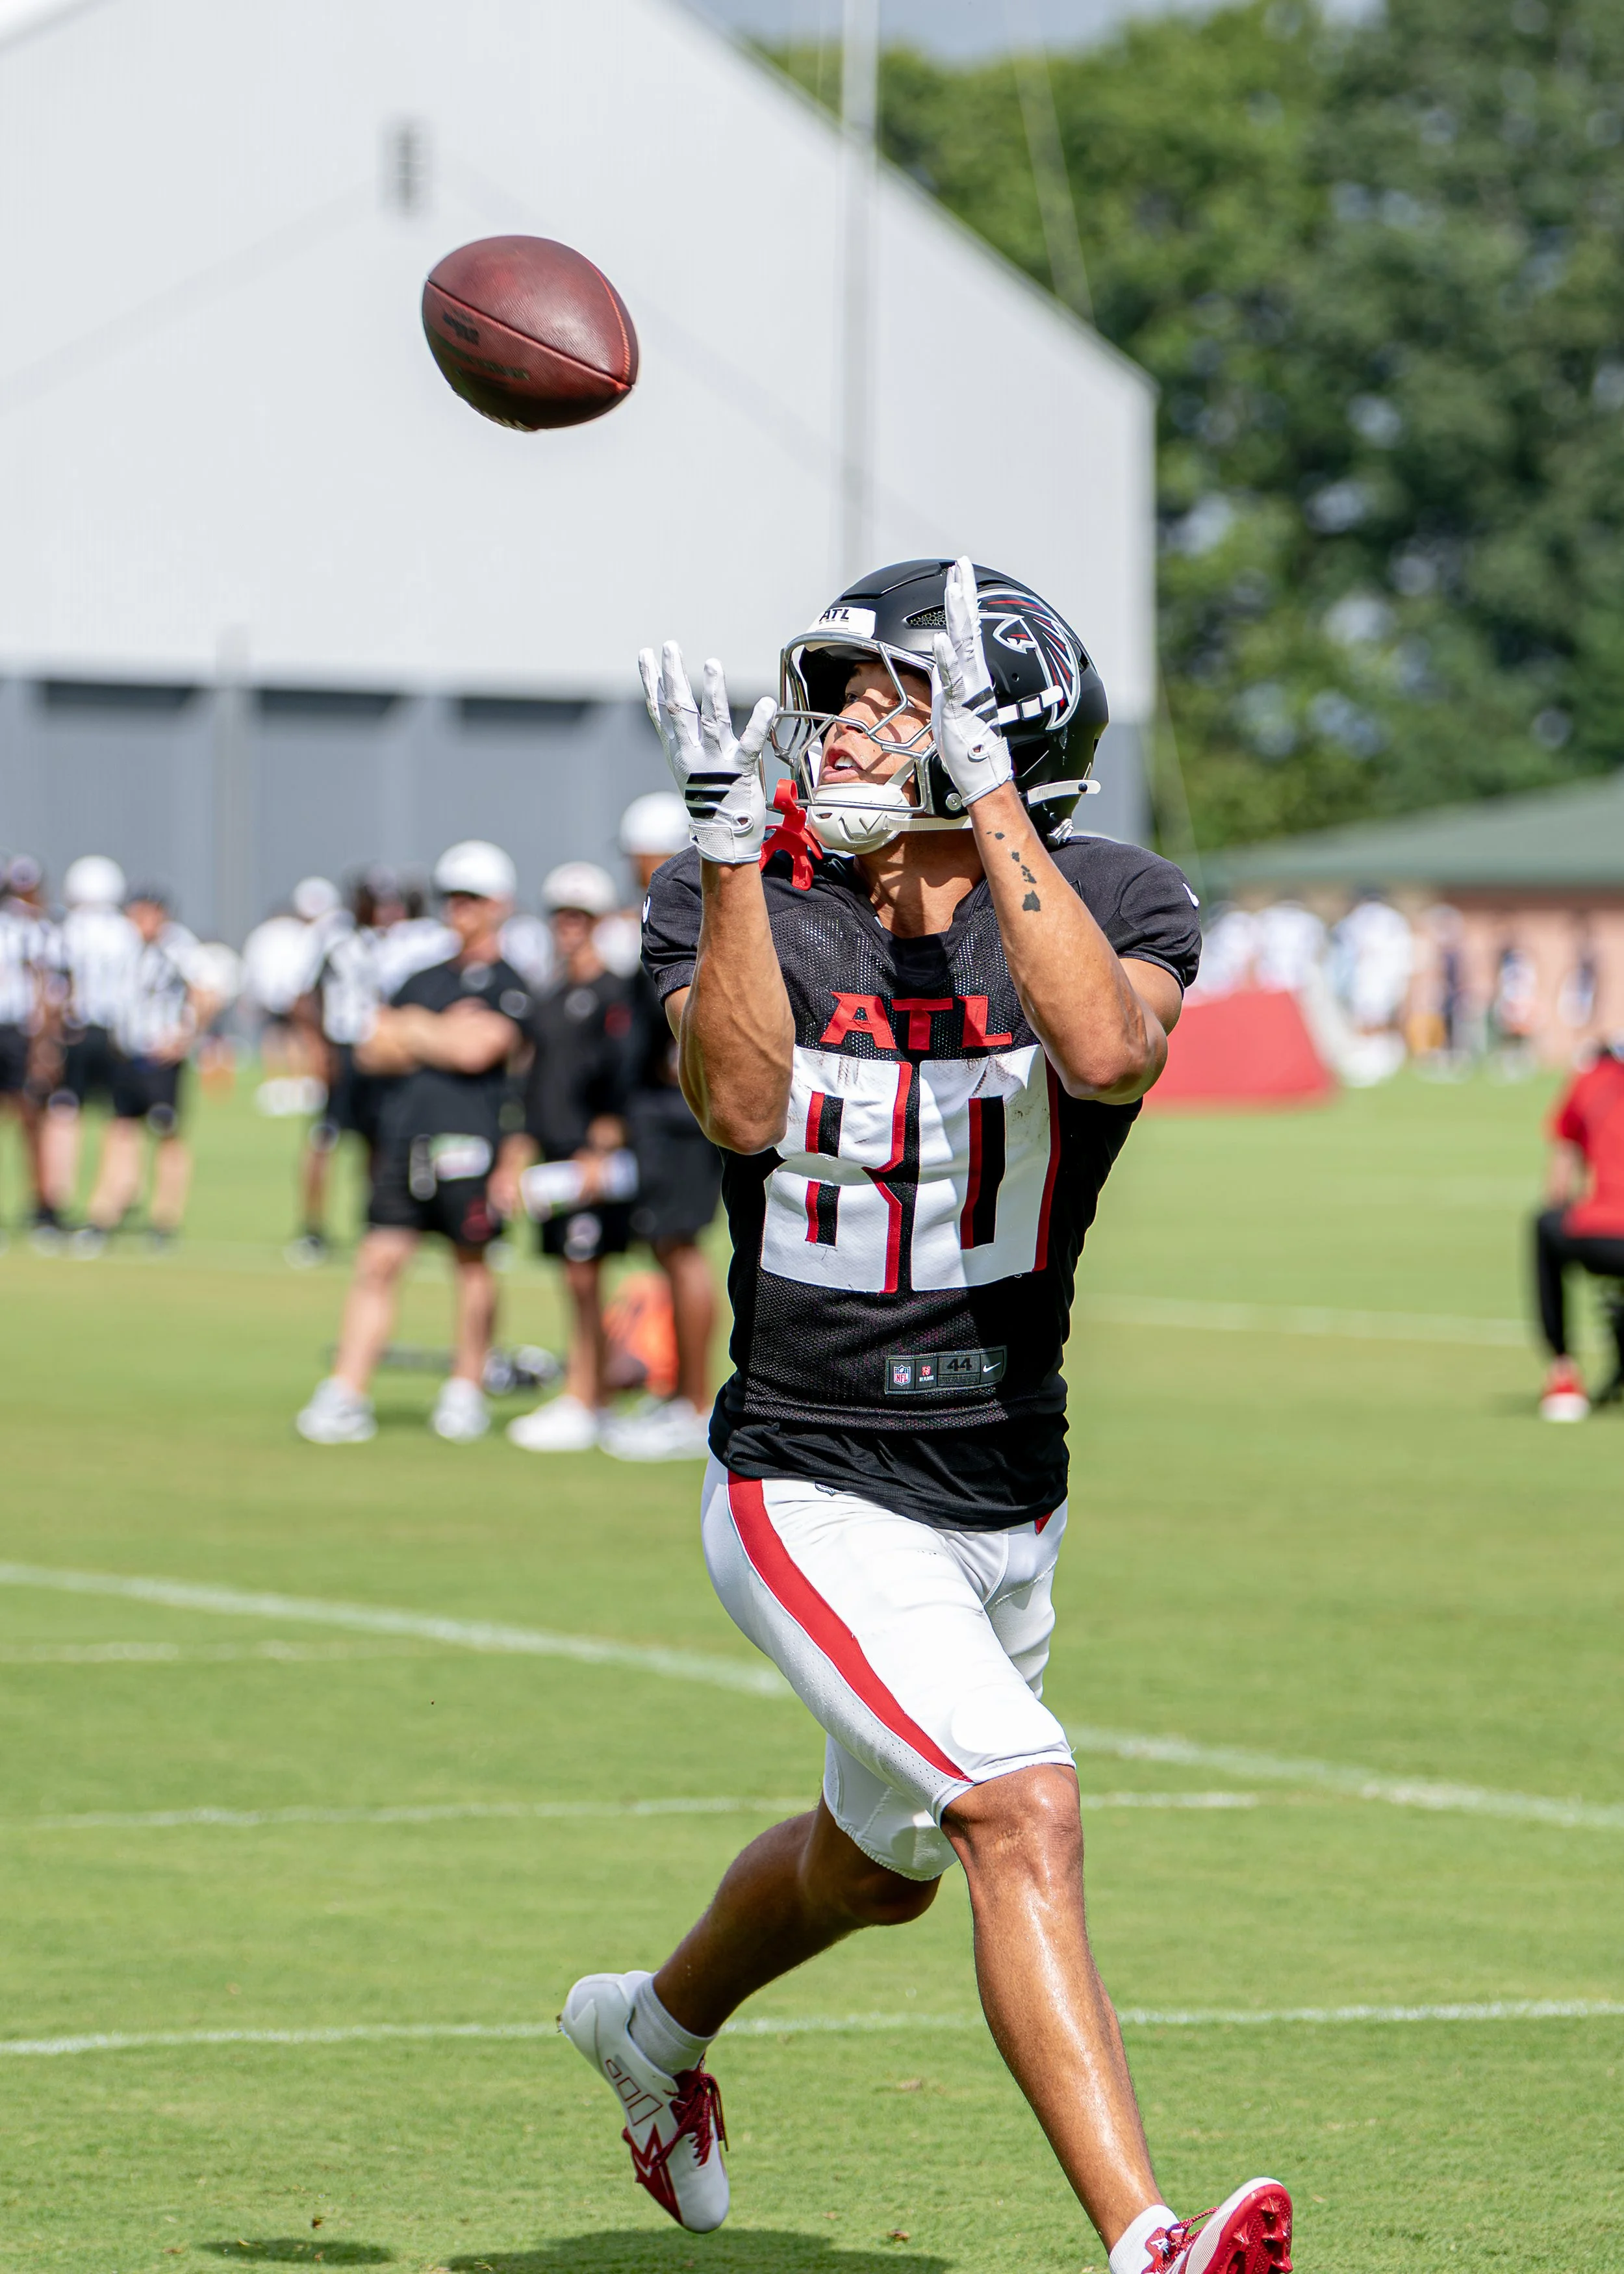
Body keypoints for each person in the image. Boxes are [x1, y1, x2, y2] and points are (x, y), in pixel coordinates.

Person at [558, 559, 1291, 2274]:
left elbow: (1106, 1054)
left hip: (1006, 1484)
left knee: (876, 1870)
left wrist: (987, 809)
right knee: (1018, 1805)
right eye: (839, 697)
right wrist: (726, 859)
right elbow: (738, 1104)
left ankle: (647, 2030)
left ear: (996, 733)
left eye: (888, 700)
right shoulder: (743, 886)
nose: (838, 729)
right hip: (809, 1474)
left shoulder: (1111, 892)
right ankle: (1149, 2242)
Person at [294, 841, 531, 1446]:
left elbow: (479, 1048)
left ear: (500, 905)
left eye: (472, 898)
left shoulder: (511, 983)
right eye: (452, 897)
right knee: (378, 1260)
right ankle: (346, 1391)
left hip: (472, 1141)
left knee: (472, 1264)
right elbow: (372, 1046)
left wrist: (415, 1034)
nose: (459, 909)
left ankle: (466, 1390)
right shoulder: (422, 978)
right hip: (405, 1139)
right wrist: (438, 1032)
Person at [598, 791, 724, 1463]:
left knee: (681, 1250)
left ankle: (694, 1404)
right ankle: (681, 1395)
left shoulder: (691, 905)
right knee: (667, 1249)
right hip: (662, 1112)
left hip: (679, 1113)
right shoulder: (675, 906)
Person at [503, 862, 635, 1454]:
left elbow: (623, 1081)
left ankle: (589, 1398)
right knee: (572, 1276)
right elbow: (532, 1086)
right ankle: (589, 1393)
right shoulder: (550, 996)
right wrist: (516, 1156)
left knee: (586, 1276)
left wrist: (603, 1146)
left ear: (598, 921)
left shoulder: (616, 994)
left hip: (592, 1162)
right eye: (561, 915)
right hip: (554, 1157)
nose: (569, 926)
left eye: (580, 916)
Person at [73, 887, 220, 1256]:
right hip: (127, 1054)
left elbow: (208, 994)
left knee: (166, 1132)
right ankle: (105, 1212)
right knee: (121, 1129)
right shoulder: (124, 946)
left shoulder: (178, 948)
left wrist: (185, 1037)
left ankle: (164, 1219)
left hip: (160, 1059)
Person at [288, 867, 409, 1268]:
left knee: (379, 1140)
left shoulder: (396, 941)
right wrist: (318, 1048)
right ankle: (312, 1226)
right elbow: (303, 996)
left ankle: (375, 1221)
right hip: (341, 1045)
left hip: (379, 1050)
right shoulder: (332, 936)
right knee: (325, 1138)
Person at [40, 855, 139, 1231]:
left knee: (65, 1113)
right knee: (121, 1119)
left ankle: (56, 1198)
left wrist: (50, 1039)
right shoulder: (127, 932)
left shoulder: (66, 930)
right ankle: (110, 1202)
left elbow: (55, 988)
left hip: (75, 1033)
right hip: (117, 1035)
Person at [1533, 1040, 1624, 1422]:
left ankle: (1563, 1372)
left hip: (1598, 1234)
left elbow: (1558, 1186)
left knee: (1545, 1226)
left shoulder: (1589, 1081)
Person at [0, 855, 57, 1240]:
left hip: (18, 1033)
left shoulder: (30, 928)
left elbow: (43, 987)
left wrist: (42, 1044)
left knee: (31, 1119)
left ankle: (42, 1206)